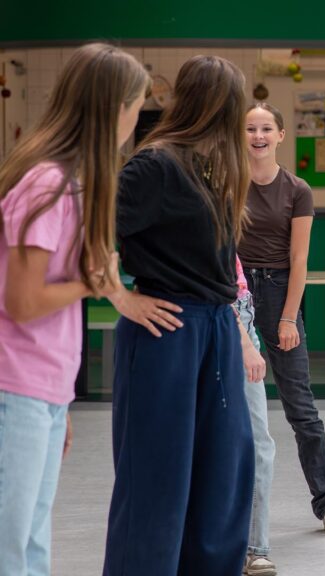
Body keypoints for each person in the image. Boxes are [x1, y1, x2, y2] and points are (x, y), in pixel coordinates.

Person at [0, 42, 153, 576]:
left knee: (32, 538)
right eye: (137, 106)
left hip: (40, 390)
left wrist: (61, 403)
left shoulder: (72, 182)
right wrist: (93, 283)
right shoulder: (46, 184)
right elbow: (21, 302)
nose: (136, 120)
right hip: (14, 388)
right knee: (12, 546)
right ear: (115, 108)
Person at [103, 55, 255, 576]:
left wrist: (237, 330)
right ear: (219, 108)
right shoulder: (155, 165)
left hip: (214, 327)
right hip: (166, 330)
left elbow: (217, 268)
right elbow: (85, 232)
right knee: (157, 479)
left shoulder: (212, 167)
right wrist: (121, 297)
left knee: (224, 474)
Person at [238, 102, 325, 536]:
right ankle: (228, 510)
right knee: (229, 407)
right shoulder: (229, 183)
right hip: (235, 293)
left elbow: (299, 257)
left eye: (266, 127)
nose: (258, 135)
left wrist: (288, 318)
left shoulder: (297, 189)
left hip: (279, 292)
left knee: (301, 408)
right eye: (250, 128)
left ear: (281, 135)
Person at [232, 256, 277, 575]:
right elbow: (213, 287)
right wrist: (246, 344)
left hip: (241, 315)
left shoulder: (228, 211)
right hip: (224, 324)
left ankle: (256, 547)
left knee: (259, 444)